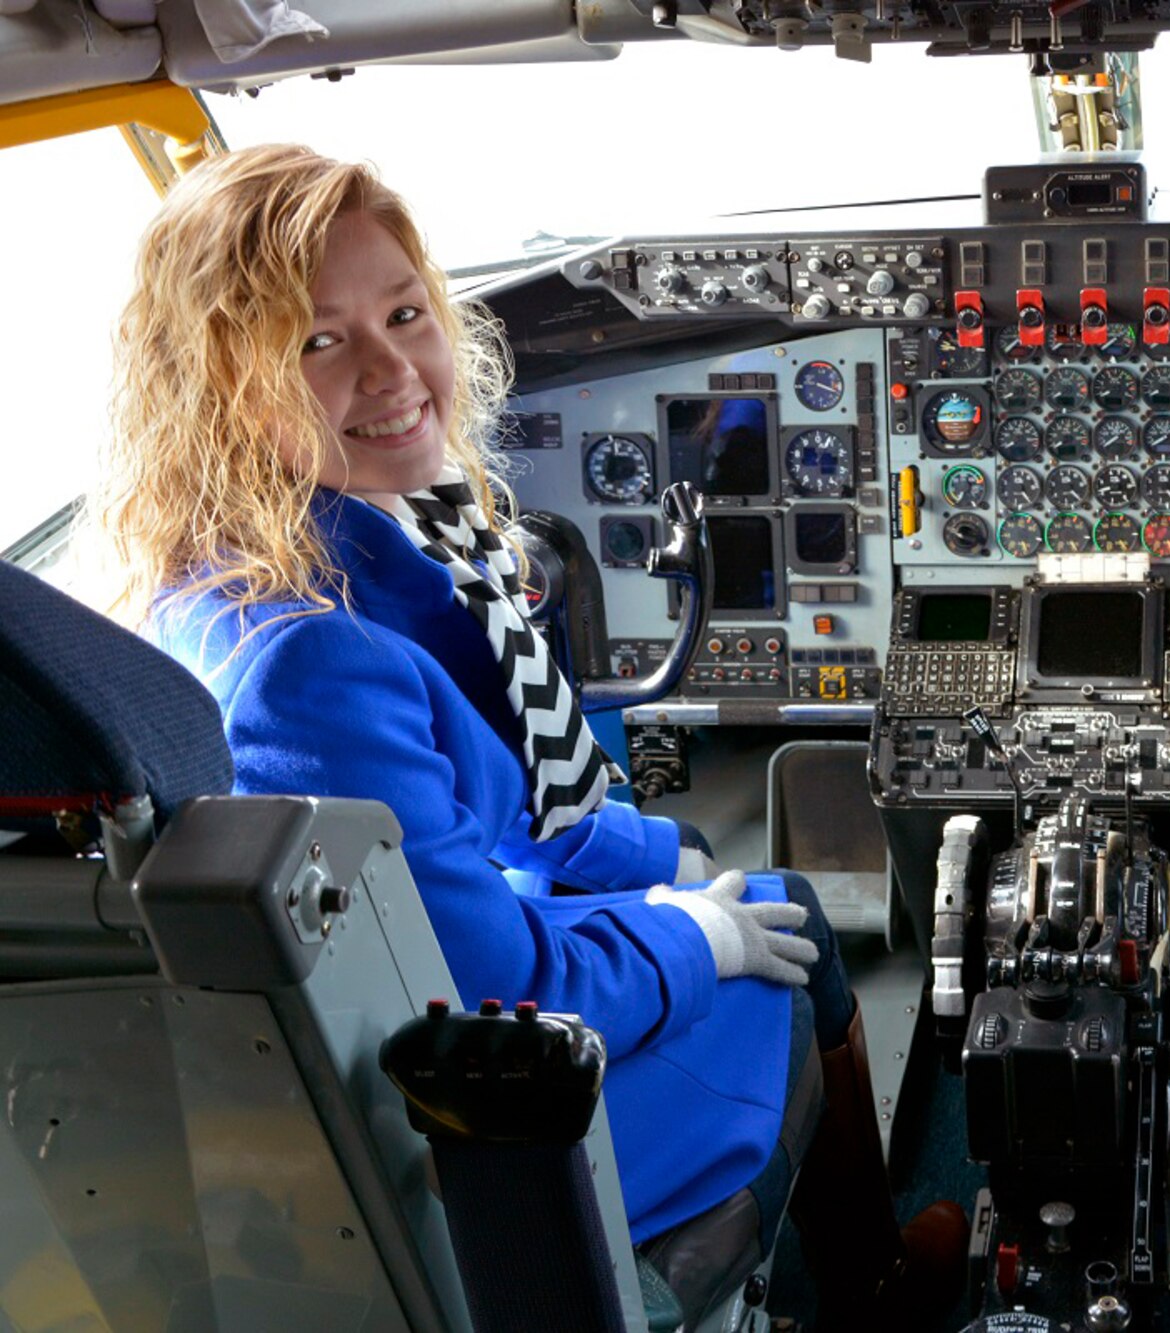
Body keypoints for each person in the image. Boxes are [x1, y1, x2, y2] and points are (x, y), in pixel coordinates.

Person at [91, 143, 964, 1327]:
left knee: (760, 896)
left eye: (405, 313)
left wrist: (668, 865)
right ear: (215, 382)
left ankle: (869, 1268)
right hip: (467, 1153)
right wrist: (695, 941)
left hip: (350, 1068)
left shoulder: (247, 574)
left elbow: (495, 801)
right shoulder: (311, 662)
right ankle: (872, 1289)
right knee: (789, 932)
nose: (394, 369)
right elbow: (503, 998)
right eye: (316, 339)